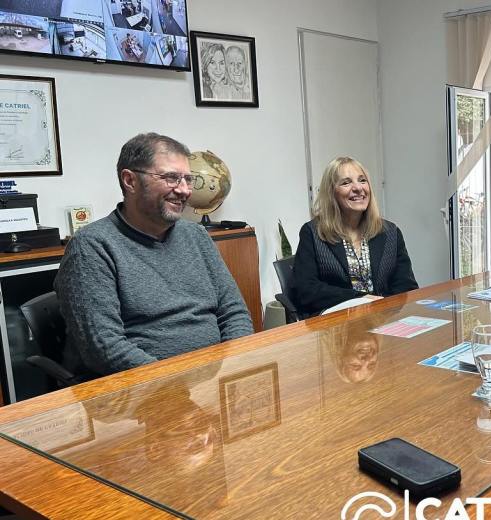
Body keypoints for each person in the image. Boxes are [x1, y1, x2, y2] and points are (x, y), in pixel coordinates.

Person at [55, 132, 253, 377]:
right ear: (130, 181)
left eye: (187, 179)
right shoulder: (92, 247)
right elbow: (104, 346)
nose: (184, 190)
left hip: (211, 377)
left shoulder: (197, 236)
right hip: (140, 392)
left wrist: (234, 366)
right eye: (171, 178)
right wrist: (179, 383)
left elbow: (234, 313)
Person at [292, 156, 418, 317]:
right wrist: (361, 299)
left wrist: (386, 313)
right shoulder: (313, 233)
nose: (358, 188)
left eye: (362, 180)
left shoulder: (390, 232)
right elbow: (306, 290)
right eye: (346, 182)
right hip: (335, 326)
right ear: (331, 193)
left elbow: (407, 287)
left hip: (385, 321)